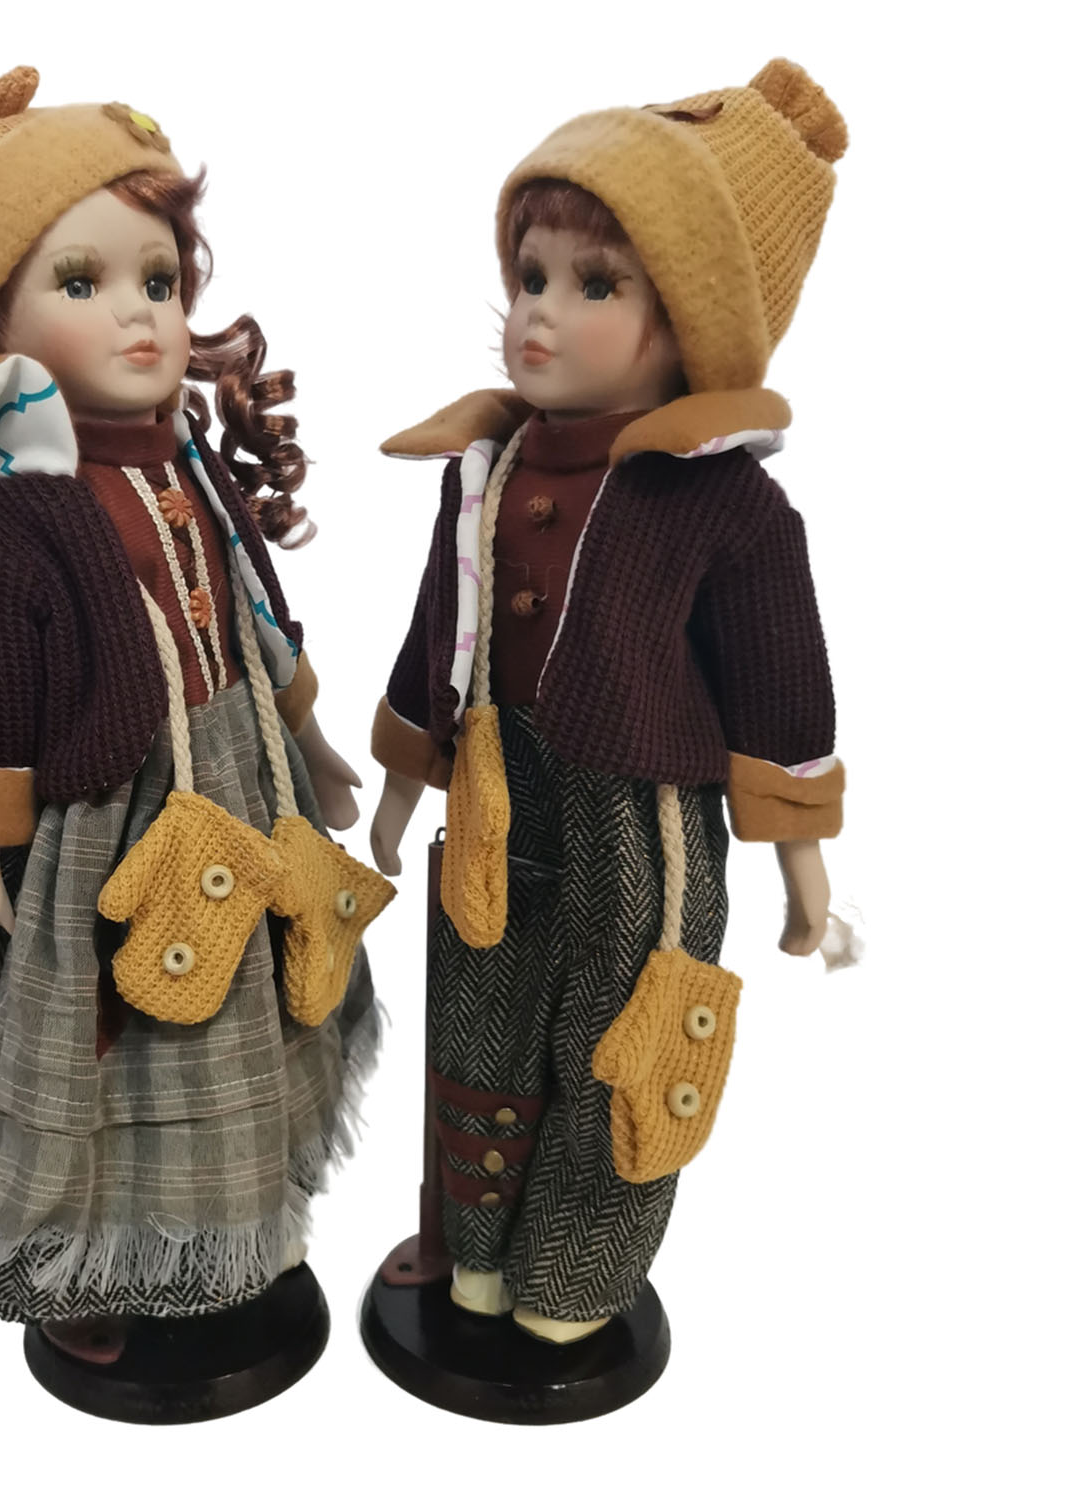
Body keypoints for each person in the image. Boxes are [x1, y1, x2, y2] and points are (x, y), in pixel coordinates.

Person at [0, 66, 384, 1334]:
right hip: (97, 824)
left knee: (255, 1018)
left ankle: (231, 1234)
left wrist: (312, 740)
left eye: (158, 280)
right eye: (80, 282)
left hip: (242, 775)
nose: (138, 316)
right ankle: (90, 1265)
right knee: (109, 1046)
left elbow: (253, 613)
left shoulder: (189, 465)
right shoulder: (11, 520)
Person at [369, 58, 847, 1344]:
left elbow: (783, 692)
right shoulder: (486, 464)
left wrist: (800, 862)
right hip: (494, 785)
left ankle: (574, 1278)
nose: (538, 314)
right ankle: (477, 1254)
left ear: (688, 321)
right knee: (480, 1010)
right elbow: (438, 632)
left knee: (620, 1042)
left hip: (644, 817)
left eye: (595, 286)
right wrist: (405, 779)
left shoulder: (726, 503)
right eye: (530, 276)